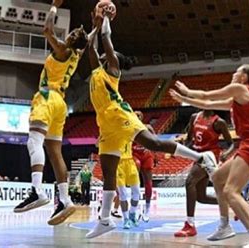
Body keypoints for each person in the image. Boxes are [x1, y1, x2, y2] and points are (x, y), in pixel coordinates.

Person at [85, 13, 216, 239]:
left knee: (153, 143)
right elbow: (90, 47)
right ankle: (105, 220)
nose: (107, 57)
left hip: (119, 114)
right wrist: (94, 26)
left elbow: (106, 42)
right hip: (105, 123)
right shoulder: (97, 70)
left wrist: (105, 20)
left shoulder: (113, 70)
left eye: (111, 56)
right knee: (108, 173)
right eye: (106, 57)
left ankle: (200, 157)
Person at [170, 64, 249, 248]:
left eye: (237, 72)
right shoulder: (237, 99)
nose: (233, 74)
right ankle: (224, 226)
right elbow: (207, 105)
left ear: (243, 77)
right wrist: (183, 98)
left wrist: (187, 91)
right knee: (217, 177)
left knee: (230, 191)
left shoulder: (241, 88)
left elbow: (208, 95)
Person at [12, 0, 92, 226]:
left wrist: (54, 7)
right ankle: (65, 200)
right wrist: (98, 23)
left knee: (33, 142)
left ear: (71, 38)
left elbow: (47, 29)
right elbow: (87, 40)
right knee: (55, 152)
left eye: (73, 32)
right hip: (61, 104)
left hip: (47, 98)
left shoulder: (64, 49)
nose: (70, 33)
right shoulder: (77, 53)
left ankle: (37, 191)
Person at [174, 110, 235, 237]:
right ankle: (232, 203)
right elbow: (190, 140)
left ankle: (190, 225)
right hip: (198, 156)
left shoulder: (219, 122)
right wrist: (182, 147)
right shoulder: (194, 117)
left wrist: (227, 153)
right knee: (201, 197)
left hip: (210, 156)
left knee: (189, 182)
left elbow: (231, 143)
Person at [132, 111, 157, 222]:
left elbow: (155, 141)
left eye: (139, 115)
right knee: (135, 181)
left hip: (147, 155)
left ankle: (147, 209)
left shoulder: (148, 127)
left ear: (142, 117)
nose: (137, 116)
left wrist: (155, 156)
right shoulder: (129, 128)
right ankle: (135, 208)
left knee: (148, 182)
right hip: (135, 154)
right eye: (135, 115)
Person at [117, 142, 142, 229]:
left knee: (137, 193)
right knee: (123, 194)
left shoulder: (130, 130)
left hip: (130, 162)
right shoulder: (113, 133)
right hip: (119, 164)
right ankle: (126, 219)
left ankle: (132, 213)